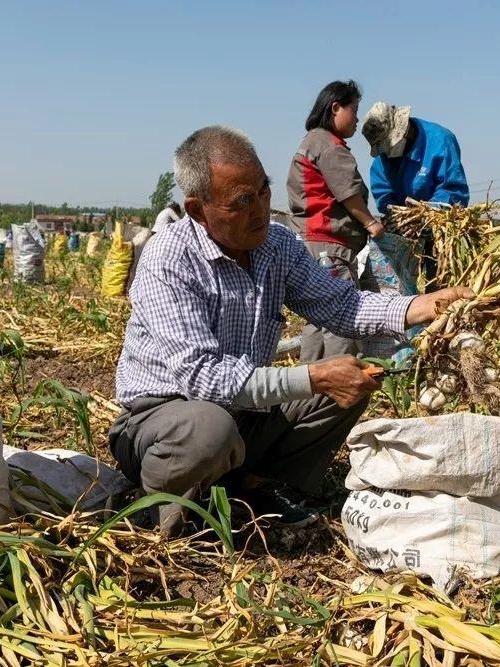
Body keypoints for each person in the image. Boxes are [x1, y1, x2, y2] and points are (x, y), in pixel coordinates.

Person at [110, 126, 474, 535]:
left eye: (263, 191)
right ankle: (156, 500)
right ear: (197, 209)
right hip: (165, 421)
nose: (262, 209)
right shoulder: (169, 257)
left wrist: (415, 307)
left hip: (243, 413)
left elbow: (341, 304)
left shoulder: (276, 246)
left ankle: (253, 487)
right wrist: (312, 376)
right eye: (243, 201)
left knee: (353, 381)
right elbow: (204, 379)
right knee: (209, 428)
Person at [286, 80, 386, 362]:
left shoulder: (310, 141)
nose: (357, 119)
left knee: (317, 319)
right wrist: (371, 224)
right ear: (335, 108)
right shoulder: (329, 145)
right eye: (354, 110)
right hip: (329, 246)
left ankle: (308, 394)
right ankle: (337, 391)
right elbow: (348, 191)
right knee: (341, 318)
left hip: (311, 244)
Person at [362, 102, 469, 291]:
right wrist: (398, 215)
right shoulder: (383, 153)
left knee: (438, 283)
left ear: (404, 131)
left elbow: (453, 189)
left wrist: (426, 215)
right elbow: (382, 190)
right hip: (404, 229)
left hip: (440, 225)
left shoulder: (441, 141)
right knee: (397, 282)